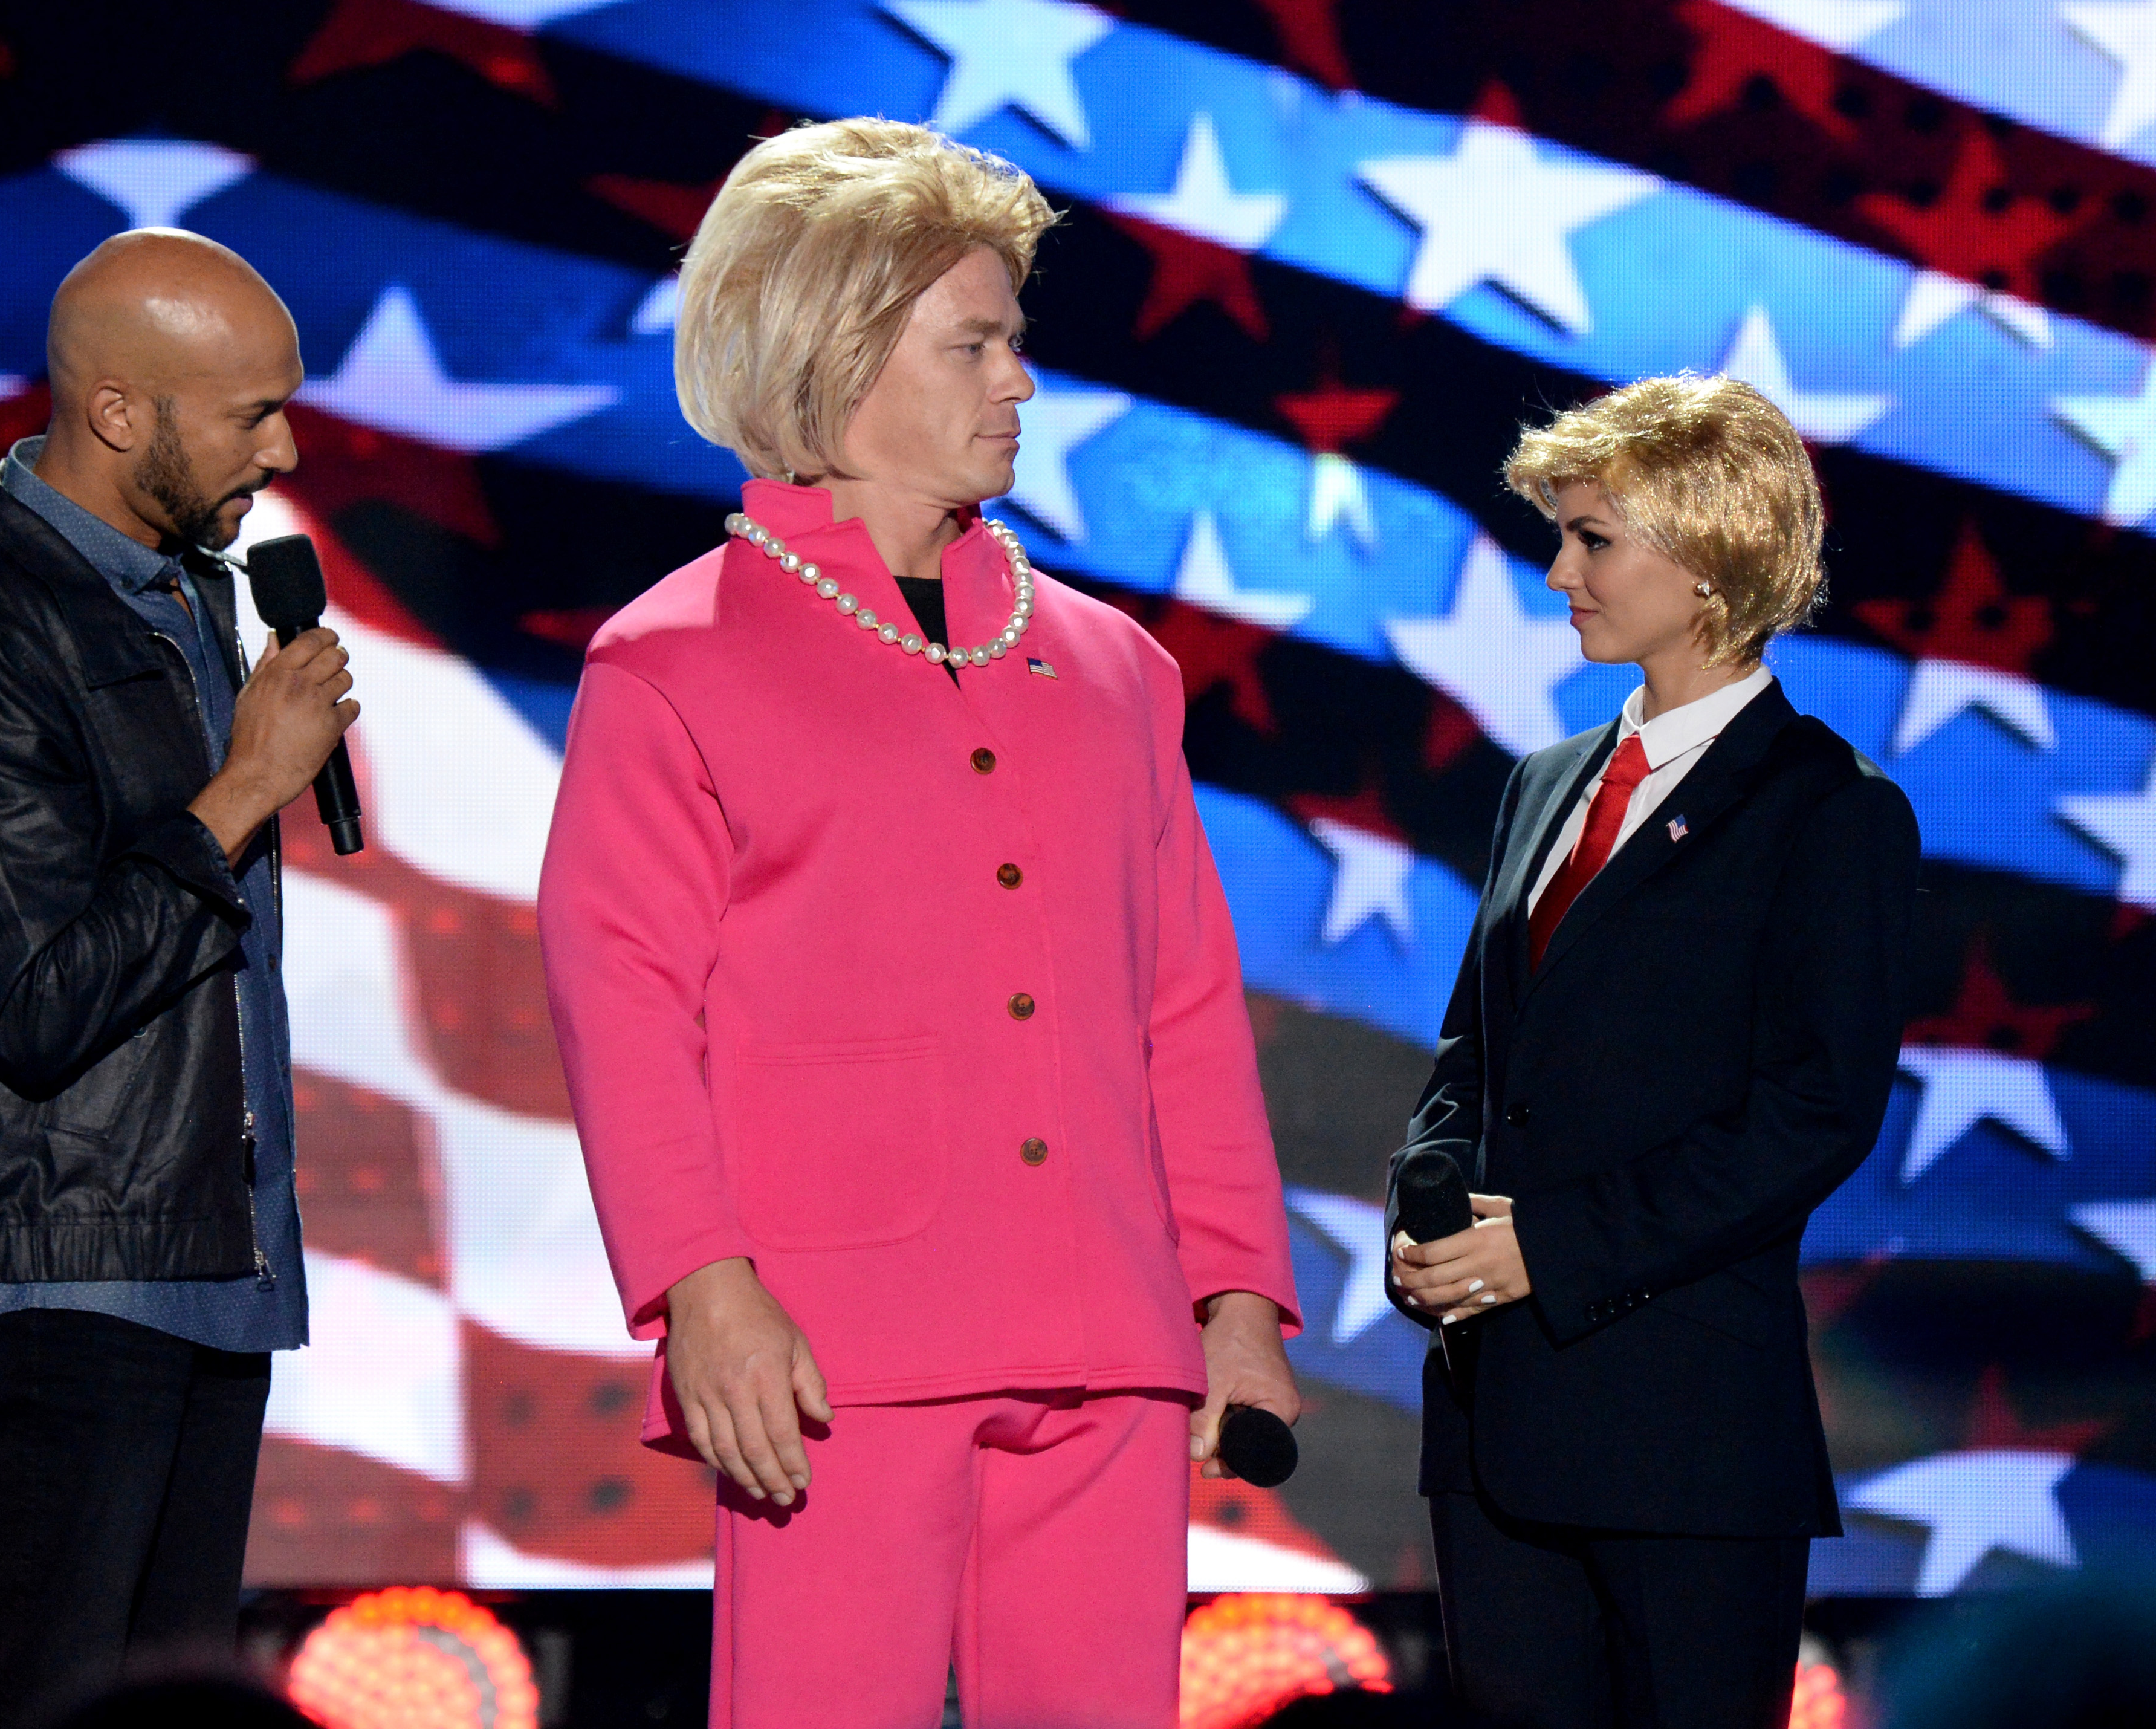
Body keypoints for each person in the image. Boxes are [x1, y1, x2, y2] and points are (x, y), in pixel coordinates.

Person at [537, 118, 1302, 1729]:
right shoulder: (669, 662)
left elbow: (1181, 1003)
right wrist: (703, 1287)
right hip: (828, 1350)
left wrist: (1235, 1296)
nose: (1017, 381)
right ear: (831, 354)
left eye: (1013, 340)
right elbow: (621, 1004)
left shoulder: (1114, 667)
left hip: (1107, 1326)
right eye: (975, 342)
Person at [0, 229, 356, 1729]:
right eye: (252, 413)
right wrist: (246, 784)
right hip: (58, 1267)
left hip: (204, 1256)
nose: (289, 443)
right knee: (32, 1707)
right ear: (122, 411)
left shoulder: (183, 588)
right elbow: (43, 999)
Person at [1385, 375, 1921, 1729]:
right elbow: (1476, 1050)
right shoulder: (1544, 781)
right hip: (1495, 1424)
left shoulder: (1829, 812)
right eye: (1560, 536)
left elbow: (1815, 1111)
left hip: (1685, 1436)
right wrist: (1433, 1212)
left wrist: (1548, 1247)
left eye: (1592, 539)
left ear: (1708, 550)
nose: (1559, 571)